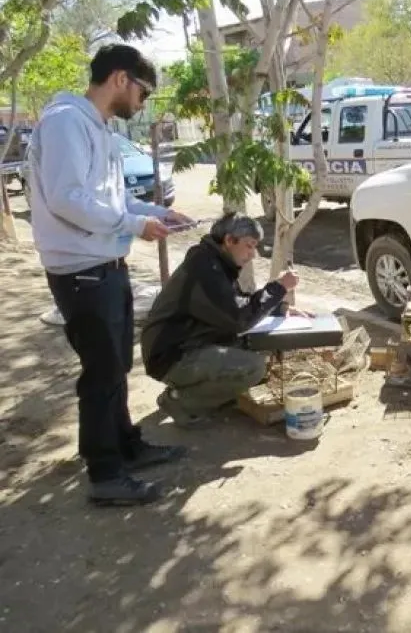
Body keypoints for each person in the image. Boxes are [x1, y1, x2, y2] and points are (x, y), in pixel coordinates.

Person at [27, 44, 193, 506]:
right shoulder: (64, 122)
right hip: (81, 271)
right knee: (101, 374)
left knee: (116, 366)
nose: (142, 102)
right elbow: (67, 199)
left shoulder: (95, 128)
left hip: (105, 265)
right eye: (143, 91)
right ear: (121, 79)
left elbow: (112, 201)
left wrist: (158, 212)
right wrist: (135, 225)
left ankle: (125, 446)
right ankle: (105, 474)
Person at [141, 212, 302, 428]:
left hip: (190, 344)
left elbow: (238, 305)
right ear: (229, 240)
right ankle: (180, 401)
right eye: (249, 246)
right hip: (172, 356)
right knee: (253, 367)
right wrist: (279, 287)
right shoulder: (205, 268)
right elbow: (238, 318)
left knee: (259, 350)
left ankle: (200, 393)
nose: (253, 254)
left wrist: (279, 311)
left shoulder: (213, 261)